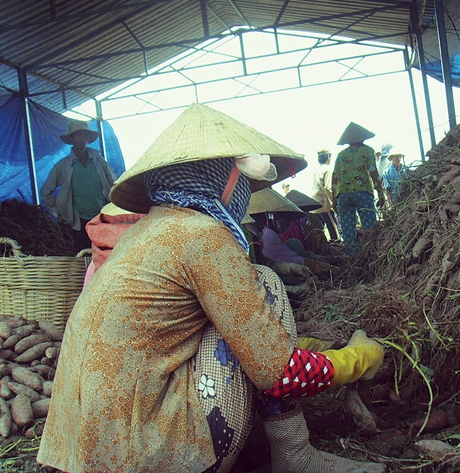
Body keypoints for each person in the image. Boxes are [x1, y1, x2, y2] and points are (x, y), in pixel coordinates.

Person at [37, 103, 385, 473]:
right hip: (147, 456)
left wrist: (306, 348)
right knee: (263, 282)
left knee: (239, 313)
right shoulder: (204, 236)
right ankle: (294, 453)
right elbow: (280, 374)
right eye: (242, 181)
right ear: (224, 179)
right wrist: (355, 359)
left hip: (88, 455)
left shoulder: (145, 232)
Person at [40, 120, 117, 253]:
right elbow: (46, 192)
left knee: (106, 253)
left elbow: (114, 184)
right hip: (78, 221)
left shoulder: (98, 160)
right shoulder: (63, 165)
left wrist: (114, 209)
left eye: (85, 135)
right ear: (72, 139)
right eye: (79, 135)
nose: (83, 139)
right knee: (84, 254)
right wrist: (58, 214)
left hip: (101, 216)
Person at [331, 122, 385, 254]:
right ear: (363, 137)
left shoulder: (341, 155)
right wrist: (380, 193)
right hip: (362, 192)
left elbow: (334, 177)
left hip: (343, 195)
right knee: (370, 227)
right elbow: (373, 171)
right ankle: (372, 254)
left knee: (348, 230)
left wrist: (334, 199)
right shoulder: (367, 150)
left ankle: (353, 258)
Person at [311, 149, 340, 240]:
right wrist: (334, 202)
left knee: (319, 231)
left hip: (315, 204)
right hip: (325, 204)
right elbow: (328, 188)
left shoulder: (317, 170)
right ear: (328, 157)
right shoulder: (328, 169)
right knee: (334, 230)